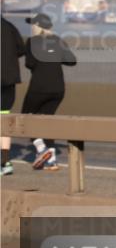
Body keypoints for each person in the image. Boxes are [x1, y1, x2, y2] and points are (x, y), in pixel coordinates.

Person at [21, 13, 76, 170]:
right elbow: (71, 60)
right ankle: (52, 161)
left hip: (39, 87)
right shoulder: (58, 40)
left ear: (37, 26)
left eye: (33, 24)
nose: (31, 27)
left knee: (26, 118)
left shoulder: (32, 41)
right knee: (47, 121)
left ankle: (41, 149)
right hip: (58, 89)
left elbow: (29, 64)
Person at [1, 15, 26, 175]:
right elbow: (21, 50)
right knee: (3, 119)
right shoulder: (10, 27)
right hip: (9, 80)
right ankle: (5, 162)